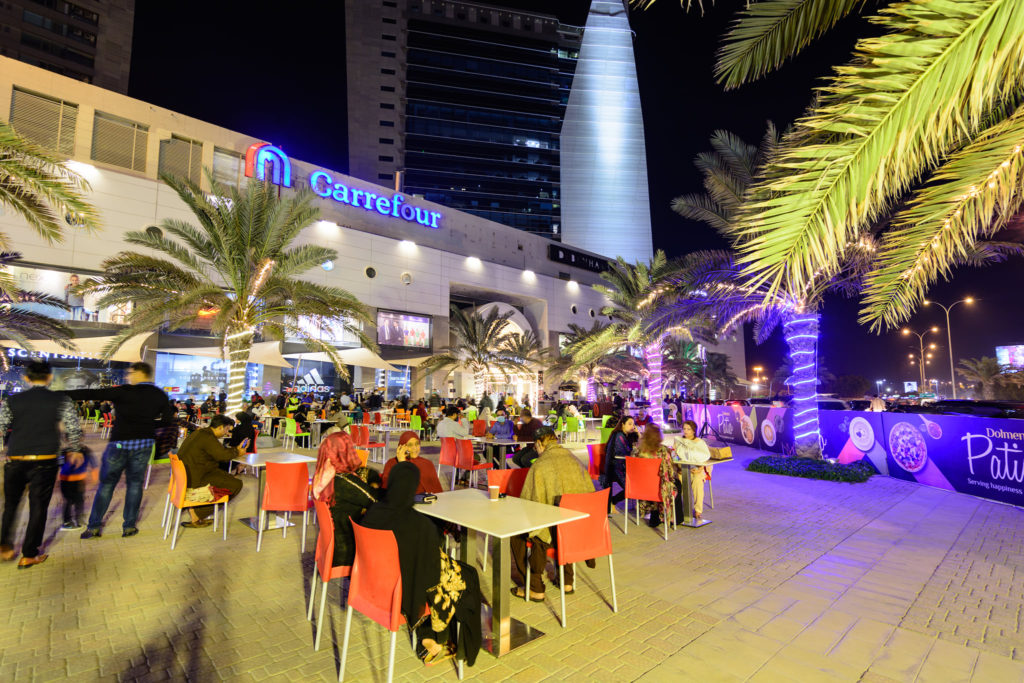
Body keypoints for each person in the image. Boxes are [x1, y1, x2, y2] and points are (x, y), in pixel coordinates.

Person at [362, 462, 481, 666]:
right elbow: (431, 575)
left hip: (376, 586)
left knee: (436, 572)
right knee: (468, 576)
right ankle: (459, 646)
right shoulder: (419, 524)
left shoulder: (372, 513)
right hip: (404, 593)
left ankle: (430, 637)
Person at [67, 362, 174, 539]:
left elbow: (91, 393)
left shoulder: (123, 391)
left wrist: (58, 394)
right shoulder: (159, 394)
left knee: (107, 485)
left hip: (119, 444)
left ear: (140, 373)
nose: (128, 376)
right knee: (134, 484)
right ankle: (129, 527)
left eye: (131, 373)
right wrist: (148, 425)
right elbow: (168, 420)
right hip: (144, 443)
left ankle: (94, 527)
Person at [0, 361, 83, 567]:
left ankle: (5, 547)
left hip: (16, 459)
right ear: (49, 378)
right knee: (38, 507)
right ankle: (29, 554)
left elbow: (1, 426)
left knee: (10, 505)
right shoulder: (60, 400)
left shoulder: (12, 400)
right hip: (45, 461)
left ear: (26, 378)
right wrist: (75, 449)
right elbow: (73, 426)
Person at [510, 427, 594, 600]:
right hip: (580, 530)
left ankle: (535, 588)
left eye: (536, 448)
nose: (537, 452)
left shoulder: (540, 466)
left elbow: (529, 506)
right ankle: (566, 581)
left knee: (517, 534)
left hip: (554, 533)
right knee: (565, 518)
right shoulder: (575, 460)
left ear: (540, 443)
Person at [312, 419, 380, 565]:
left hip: (331, 545)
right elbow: (376, 501)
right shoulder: (343, 480)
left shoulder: (323, 474)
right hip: (347, 551)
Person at [177, 415, 245, 526]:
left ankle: (198, 507)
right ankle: (197, 513)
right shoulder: (208, 438)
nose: (227, 433)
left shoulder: (200, 433)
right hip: (196, 478)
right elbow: (222, 455)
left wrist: (235, 450)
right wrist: (237, 452)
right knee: (236, 484)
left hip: (187, 475)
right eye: (227, 429)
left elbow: (218, 452)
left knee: (225, 477)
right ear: (220, 427)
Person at [633, 424, 682, 528]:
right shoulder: (664, 451)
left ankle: (654, 517)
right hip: (660, 489)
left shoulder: (637, 451)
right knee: (677, 483)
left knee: (654, 482)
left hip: (641, 489)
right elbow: (674, 465)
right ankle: (675, 519)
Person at [672, 420, 712, 521]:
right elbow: (674, 456)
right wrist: (678, 468)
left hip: (696, 470)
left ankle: (698, 510)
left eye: (688, 429)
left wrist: (700, 468)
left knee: (698, 481)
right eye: (684, 429)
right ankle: (683, 509)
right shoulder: (679, 441)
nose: (686, 431)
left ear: (693, 431)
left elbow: (706, 458)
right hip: (682, 470)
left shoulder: (700, 442)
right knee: (680, 482)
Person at [58, 444, 95, 531]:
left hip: (78, 480)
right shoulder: (63, 452)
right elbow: (62, 466)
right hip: (67, 480)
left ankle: (79, 519)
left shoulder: (85, 450)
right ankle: (67, 521)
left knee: (79, 500)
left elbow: (93, 463)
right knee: (68, 501)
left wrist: (94, 476)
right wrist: (71, 460)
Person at [604, 416, 636, 508]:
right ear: (622, 425)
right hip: (616, 468)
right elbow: (621, 454)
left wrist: (637, 433)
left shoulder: (625, 435)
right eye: (629, 424)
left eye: (633, 424)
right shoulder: (619, 436)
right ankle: (614, 500)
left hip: (621, 466)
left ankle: (614, 500)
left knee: (639, 483)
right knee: (635, 487)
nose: (632, 426)